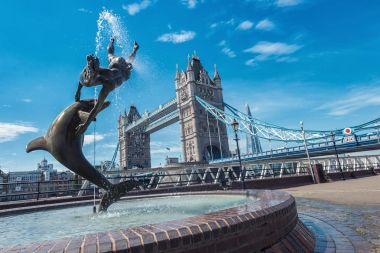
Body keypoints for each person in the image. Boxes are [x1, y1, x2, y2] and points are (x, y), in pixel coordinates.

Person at [75, 38, 139, 135]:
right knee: (109, 67)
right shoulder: (111, 80)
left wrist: (85, 125)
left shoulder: (109, 85)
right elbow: (97, 108)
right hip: (118, 70)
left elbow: (97, 107)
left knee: (106, 73)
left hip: (115, 71)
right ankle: (91, 73)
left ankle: (91, 74)